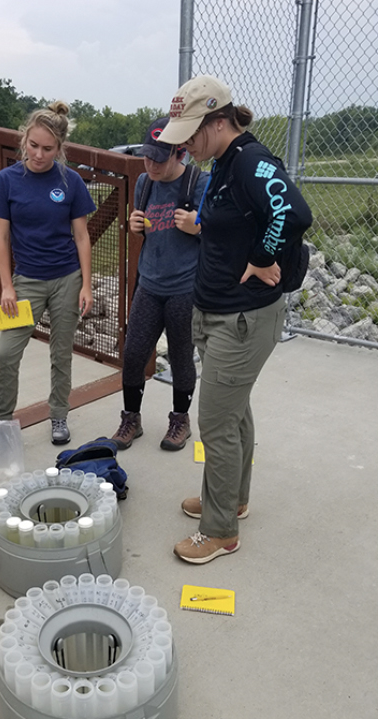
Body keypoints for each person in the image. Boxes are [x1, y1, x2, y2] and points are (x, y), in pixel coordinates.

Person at [153, 75, 311, 565]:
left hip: (242, 317)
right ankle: (232, 498)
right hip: (219, 309)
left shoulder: (250, 162)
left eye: (190, 134)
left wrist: (264, 255)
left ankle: (219, 530)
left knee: (216, 421)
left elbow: (295, 211)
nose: (184, 146)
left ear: (217, 121)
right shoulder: (224, 162)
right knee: (234, 412)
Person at [0, 101, 97, 446]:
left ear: (60, 148)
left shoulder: (71, 181)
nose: (39, 154)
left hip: (67, 278)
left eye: (48, 148)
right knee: (6, 352)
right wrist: (6, 286)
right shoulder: (8, 180)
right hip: (26, 281)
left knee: (61, 352)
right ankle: (2, 419)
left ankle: (59, 415)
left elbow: (82, 236)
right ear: (24, 140)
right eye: (33, 145)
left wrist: (87, 285)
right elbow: (0, 236)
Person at [111, 117, 204, 452]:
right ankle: (130, 419)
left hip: (185, 287)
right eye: (147, 156)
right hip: (149, 283)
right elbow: (143, 227)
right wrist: (134, 225)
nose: (150, 164)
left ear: (180, 154)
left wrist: (198, 227)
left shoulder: (198, 182)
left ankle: (180, 419)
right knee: (134, 353)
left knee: (181, 357)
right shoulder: (143, 183)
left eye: (159, 158)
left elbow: (221, 236)